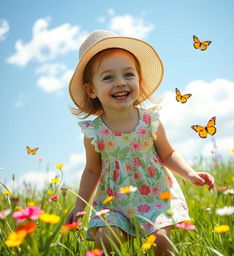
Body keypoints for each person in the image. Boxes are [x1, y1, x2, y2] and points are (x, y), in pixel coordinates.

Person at [66, 30, 215, 255]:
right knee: (108, 238)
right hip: (113, 201)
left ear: (139, 80)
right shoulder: (94, 133)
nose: (120, 83)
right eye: (108, 77)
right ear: (91, 90)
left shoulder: (150, 121)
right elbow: (91, 170)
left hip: (154, 196)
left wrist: (190, 174)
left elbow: (167, 154)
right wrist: (80, 205)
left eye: (128, 74)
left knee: (162, 241)